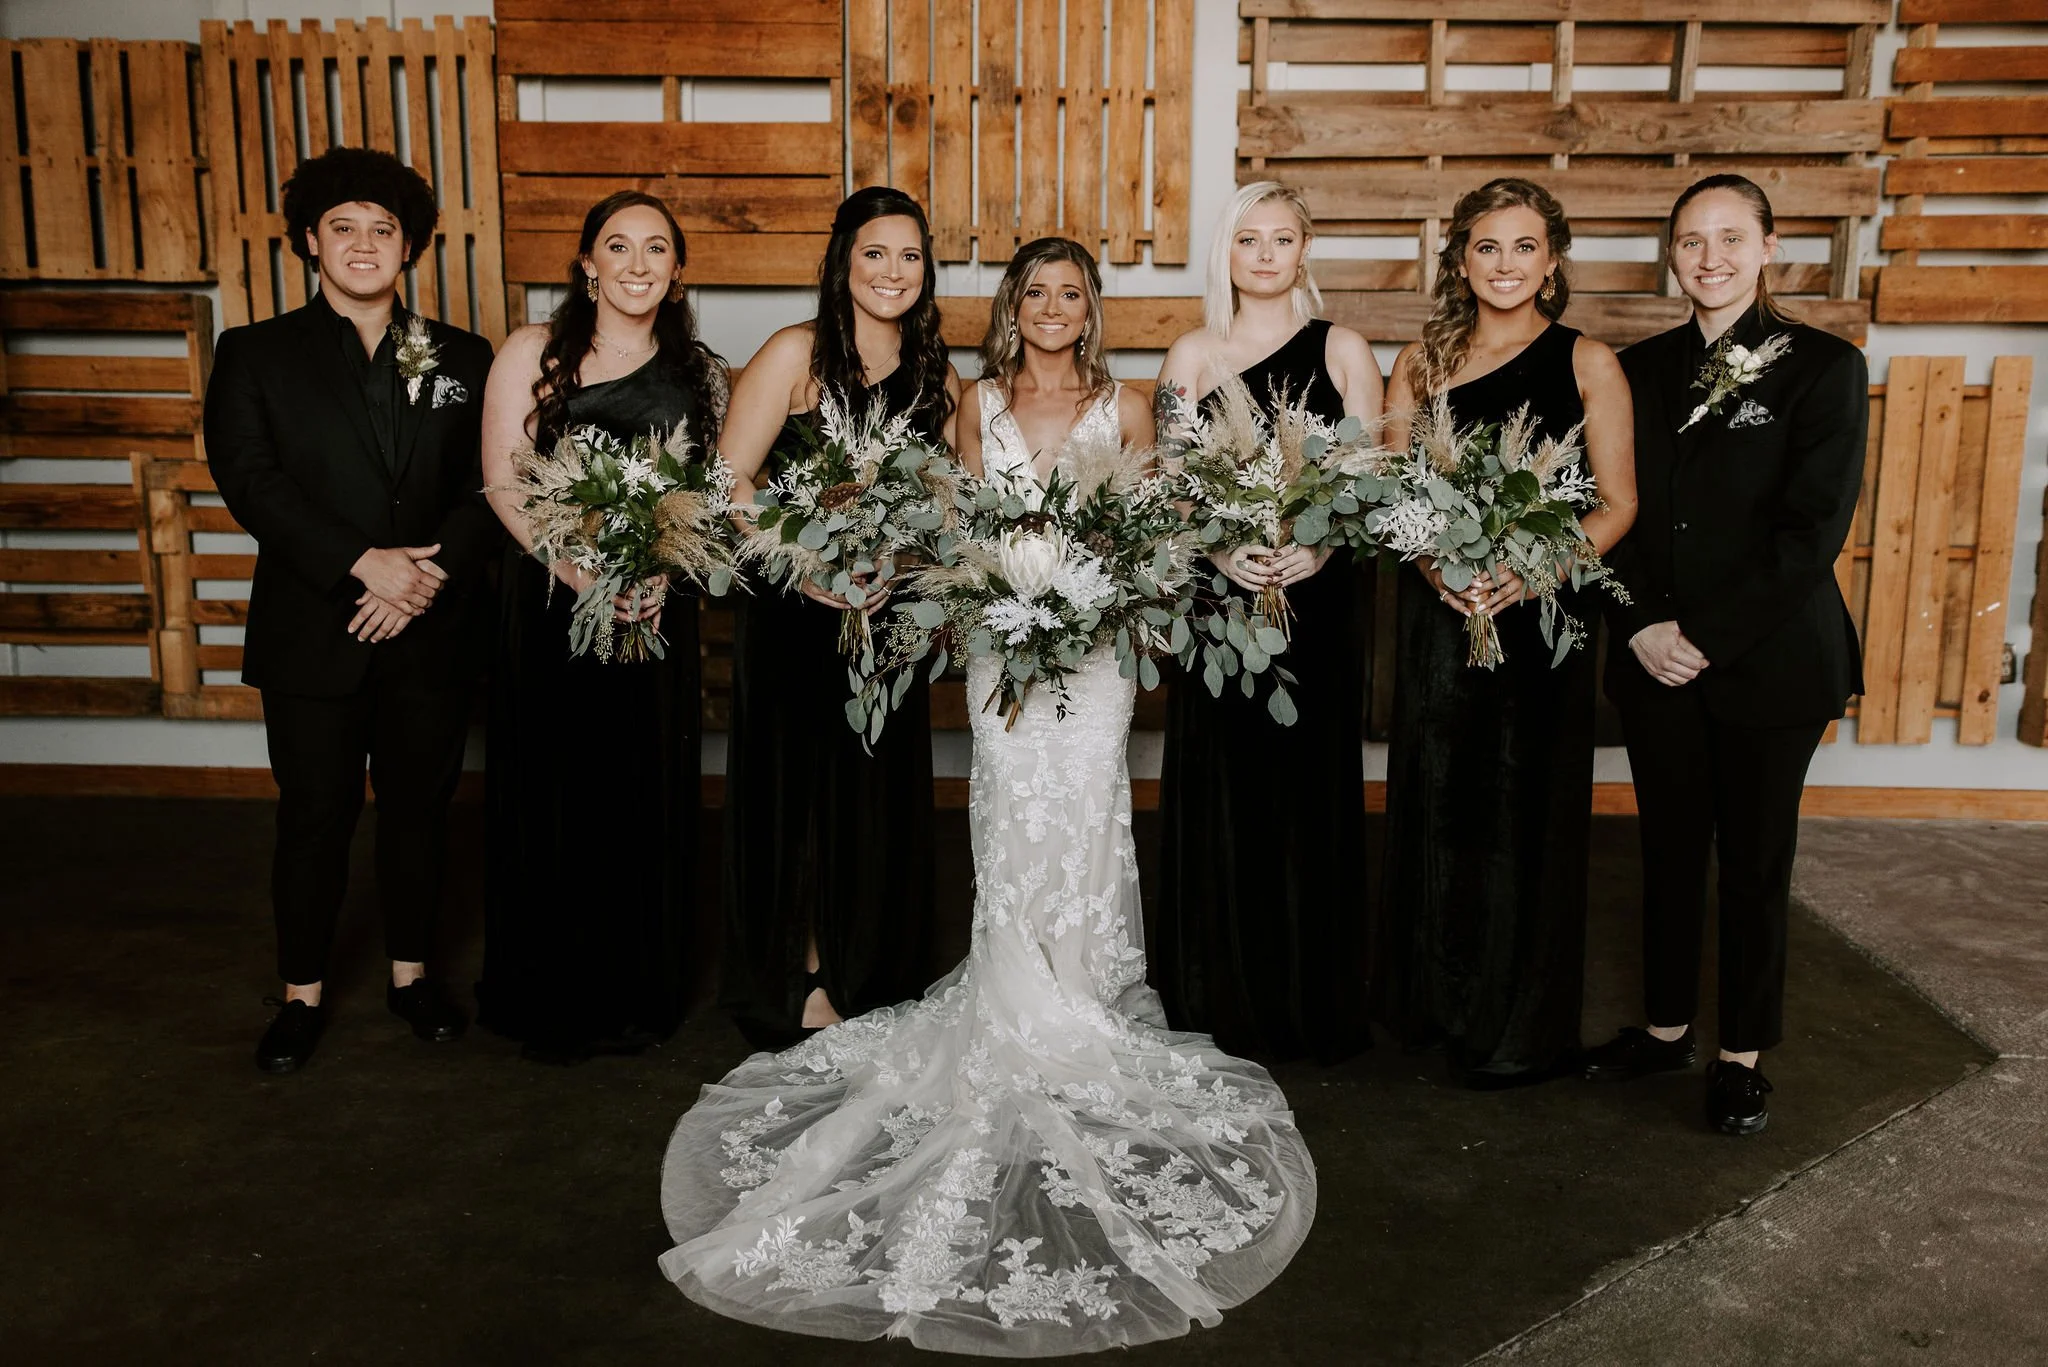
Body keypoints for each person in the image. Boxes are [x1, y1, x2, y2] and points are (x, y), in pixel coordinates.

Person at [655, 237, 1314, 1354]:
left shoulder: (1135, 400)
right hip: (1004, 647)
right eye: (1034, 292)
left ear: (1089, 308)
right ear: (1011, 306)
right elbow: (956, 522)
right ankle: (1018, 989)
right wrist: (999, 590)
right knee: (1011, 812)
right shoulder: (971, 400)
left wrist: (1107, 591)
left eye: (1070, 292)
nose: (1052, 307)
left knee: (1090, 809)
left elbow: (1155, 537)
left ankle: (1089, 991)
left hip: (1097, 653)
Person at [1582, 174, 1866, 1136]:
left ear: (1769, 248)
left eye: (1731, 238)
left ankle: (1741, 1053)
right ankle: (1665, 1029)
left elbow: (1809, 532)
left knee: (1753, 860)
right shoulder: (1635, 368)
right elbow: (1604, 516)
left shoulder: (1824, 367)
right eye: (1692, 240)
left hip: (1772, 661)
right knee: (1664, 849)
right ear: (1671, 253)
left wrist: (1702, 636)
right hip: (1653, 650)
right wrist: (1645, 624)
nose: (1711, 257)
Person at [206, 146, 497, 1073]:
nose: (364, 245)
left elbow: (490, 486)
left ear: (409, 246)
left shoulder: (463, 355)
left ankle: (413, 977)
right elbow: (250, 479)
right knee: (315, 813)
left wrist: (420, 581)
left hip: (429, 627)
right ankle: (301, 994)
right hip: (313, 627)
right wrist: (362, 565)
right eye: (344, 228)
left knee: (420, 808)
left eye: (383, 229)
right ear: (308, 241)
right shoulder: (253, 352)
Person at [1374, 177, 1637, 1088]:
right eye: (1487, 247)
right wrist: (1435, 567)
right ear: (1458, 260)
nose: (1505, 264)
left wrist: (1533, 571)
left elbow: (1618, 502)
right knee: (1441, 799)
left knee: (1525, 812)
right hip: (1442, 619)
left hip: (1538, 628)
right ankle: (1435, 1003)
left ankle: (1517, 1022)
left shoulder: (1587, 360)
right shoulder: (1418, 363)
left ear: (1553, 261)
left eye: (1525, 247)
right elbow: (1394, 495)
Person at [476, 191, 726, 1064]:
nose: (635, 264)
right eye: (616, 246)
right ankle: (551, 990)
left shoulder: (701, 371)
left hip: (655, 608)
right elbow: (505, 483)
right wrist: (580, 572)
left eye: (656, 248)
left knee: (639, 785)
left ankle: (635, 988)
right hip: (550, 604)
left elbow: (713, 495)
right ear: (587, 261)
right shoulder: (531, 352)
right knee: (555, 784)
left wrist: (664, 567)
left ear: (678, 269)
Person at [716, 187, 957, 1048]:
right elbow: (728, 485)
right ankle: (807, 973)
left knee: (874, 796)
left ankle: (875, 968)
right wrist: (804, 559)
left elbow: (950, 509)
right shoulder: (795, 354)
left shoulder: (939, 375)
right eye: (875, 254)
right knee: (804, 798)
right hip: (794, 614)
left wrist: (907, 563)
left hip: (885, 621)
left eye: (910, 256)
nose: (893, 272)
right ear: (842, 261)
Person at [1151, 180, 1382, 1063]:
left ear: (1304, 250)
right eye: (1249, 239)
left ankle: (1309, 1002)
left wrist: (1316, 551)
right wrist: (1216, 554)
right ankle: (1218, 996)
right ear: (1229, 251)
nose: (1265, 255)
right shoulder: (1190, 355)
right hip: (1219, 604)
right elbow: (1170, 482)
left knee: (1308, 789)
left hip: (1316, 601)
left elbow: (1369, 477)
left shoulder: (1346, 349)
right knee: (1226, 786)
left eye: (1282, 239)